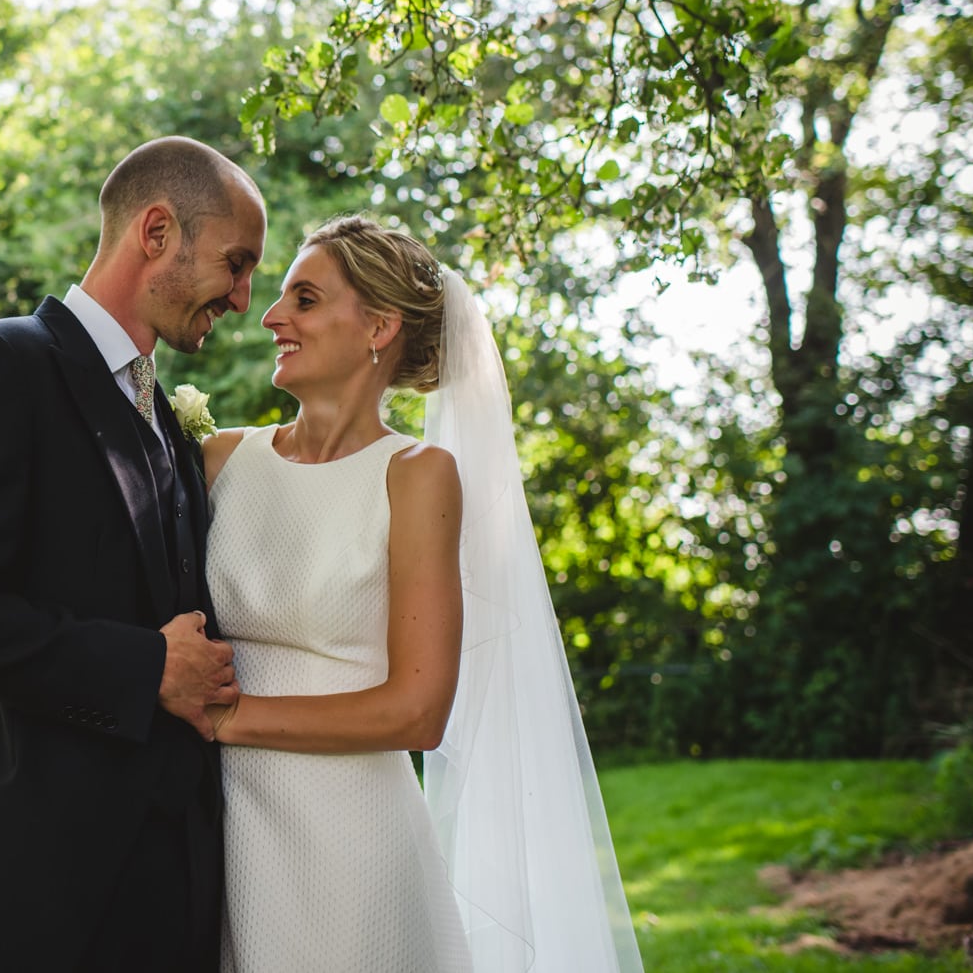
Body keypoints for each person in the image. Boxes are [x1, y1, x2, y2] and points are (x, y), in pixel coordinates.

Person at [201, 215, 645, 972]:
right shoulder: (220, 458)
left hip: (349, 843)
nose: (270, 316)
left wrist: (229, 719)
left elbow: (418, 709)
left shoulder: (417, 475)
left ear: (378, 325)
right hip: (219, 828)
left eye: (303, 299)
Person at [0, 136, 267, 973]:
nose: (243, 299)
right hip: (48, 888)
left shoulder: (168, 415)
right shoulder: (0, 364)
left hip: (181, 889)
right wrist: (145, 668)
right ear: (157, 232)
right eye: (235, 265)